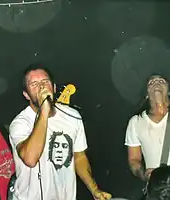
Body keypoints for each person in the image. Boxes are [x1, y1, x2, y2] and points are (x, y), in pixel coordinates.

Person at [9, 64, 112, 200]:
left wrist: (94, 189)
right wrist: (44, 110)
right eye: (34, 84)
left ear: (54, 87)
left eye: (45, 81)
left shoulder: (72, 115)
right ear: (26, 95)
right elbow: (30, 159)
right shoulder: (20, 123)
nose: (42, 87)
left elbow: (79, 157)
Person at [125, 75, 169, 182]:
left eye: (161, 80)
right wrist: (144, 175)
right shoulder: (136, 122)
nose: (156, 82)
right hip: (158, 189)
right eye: (151, 82)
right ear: (146, 94)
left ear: (168, 91)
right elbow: (134, 159)